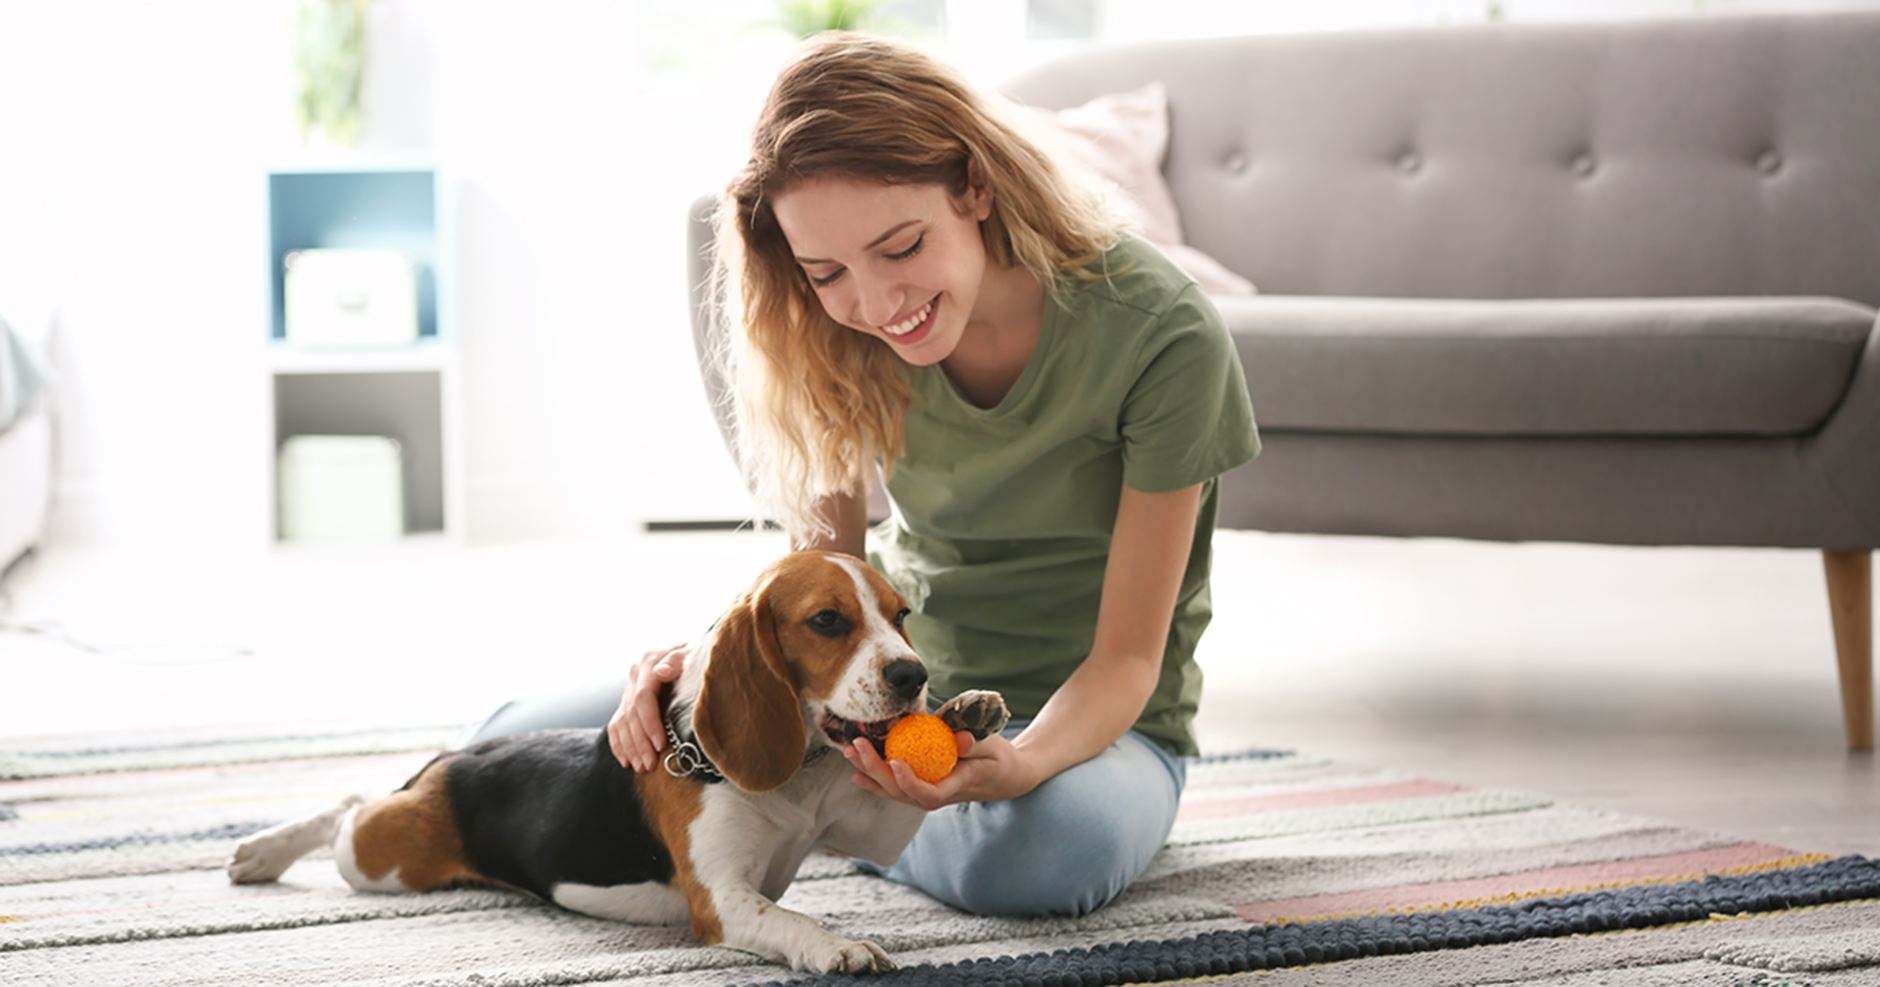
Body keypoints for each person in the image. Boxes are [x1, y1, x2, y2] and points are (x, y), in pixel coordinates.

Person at [460, 32, 1258, 919]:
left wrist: (1023, 763)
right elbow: (821, 576)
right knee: (499, 749)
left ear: (976, 186)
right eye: (828, 271)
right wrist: (703, 668)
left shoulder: (1163, 332)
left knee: (1042, 858)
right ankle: (841, 817)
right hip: (873, 695)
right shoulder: (835, 331)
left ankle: (821, 827)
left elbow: (1127, 660)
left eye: (902, 246)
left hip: (1096, 730)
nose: (878, 305)